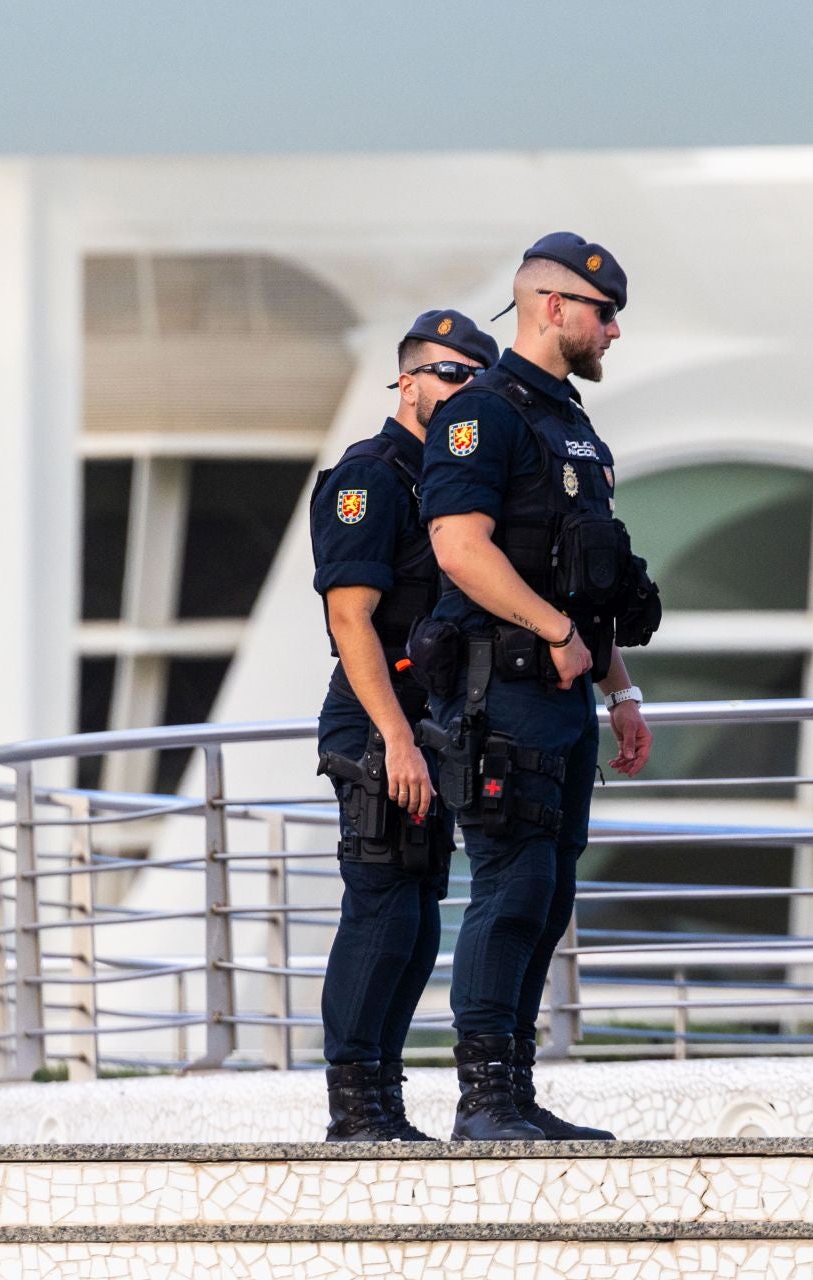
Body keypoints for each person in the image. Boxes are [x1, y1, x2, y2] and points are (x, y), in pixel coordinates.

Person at [413, 234, 659, 1141]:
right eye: (604, 314)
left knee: (549, 895)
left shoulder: (572, 424)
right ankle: (482, 1101)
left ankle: (514, 1093)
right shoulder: (482, 414)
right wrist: (555, 633)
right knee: (512, 888)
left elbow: (584, 582)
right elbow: (459, 548)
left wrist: (619, 692)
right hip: (504, 692)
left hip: (562, 702)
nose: (614, 331)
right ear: (553, 307)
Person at [310, 308, 497, 1142]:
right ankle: (354, 1109)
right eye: (448, 374)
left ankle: (384, 1100)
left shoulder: (453, 484)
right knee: (382, 906)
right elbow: (350, 619)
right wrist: (394, 739)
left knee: (419, 914)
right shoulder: (371, 477)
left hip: (429, 722)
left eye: (476, 380)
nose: (461, 392)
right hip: (375, 721)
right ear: (407, 380)